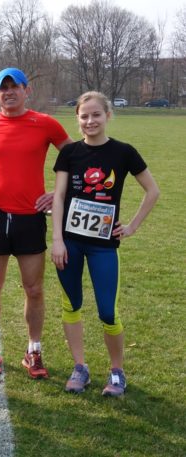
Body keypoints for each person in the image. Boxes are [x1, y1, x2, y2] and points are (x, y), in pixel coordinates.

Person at [0, 67, 72, 379]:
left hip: (30, 218)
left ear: (26, 91)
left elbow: (78, 158)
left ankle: (33, 350)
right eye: (3, 88)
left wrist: (57, 193)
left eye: (15, 86)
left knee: (34, 288)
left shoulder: (45, 123)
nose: (9, 92)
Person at [51, 91, 159, 396]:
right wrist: (57, 240)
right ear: (77, 119)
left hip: (103, 245)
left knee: (107, 311)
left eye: (96, 115)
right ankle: (80, 368)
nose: (90, 121)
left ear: (107, 116)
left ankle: (116, 371)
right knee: (71, 304)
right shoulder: (69, 153)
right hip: (70, 243)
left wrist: (133, 226)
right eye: (84, 116)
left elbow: (153, 191)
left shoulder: (124, 152)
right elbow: (58, 197)